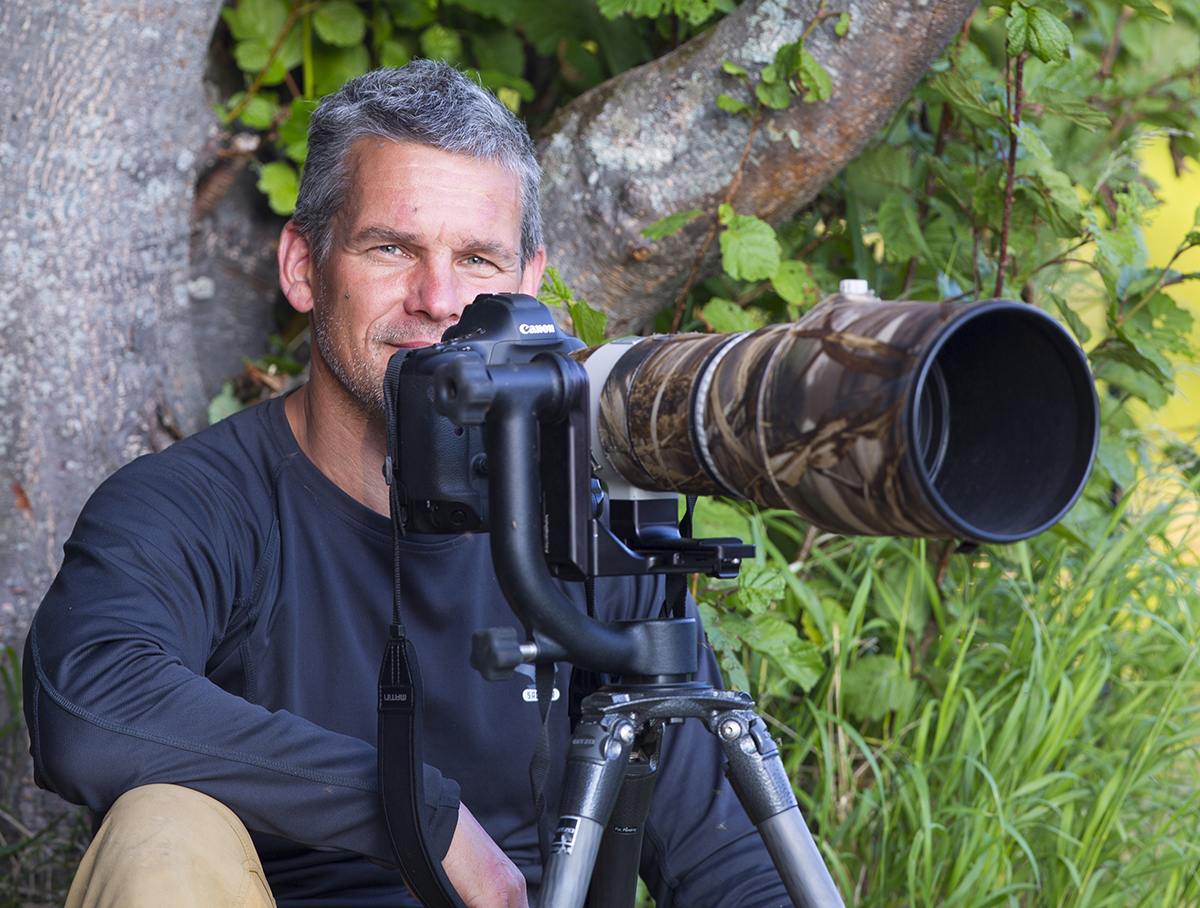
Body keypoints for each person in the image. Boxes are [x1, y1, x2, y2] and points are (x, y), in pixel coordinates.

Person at [23, 61, 792, 908]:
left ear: (529, 282)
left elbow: (726, 866)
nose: (438, 300)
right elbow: (86, 704)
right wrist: (419, 813)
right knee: (158, 830)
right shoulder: (194, 506)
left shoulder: (585, 526)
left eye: (477, 258)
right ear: (304, 267)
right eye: (391, 247)